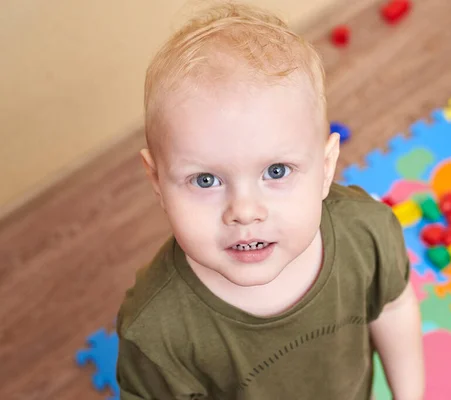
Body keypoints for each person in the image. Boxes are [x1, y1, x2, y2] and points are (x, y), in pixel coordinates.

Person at [116, 2, 424, 399]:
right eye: (206, 179)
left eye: (276, 172)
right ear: (157, 181)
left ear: (326, 167)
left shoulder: (366, 234)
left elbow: (395, 309)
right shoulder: (155, 330)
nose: (244, 211)